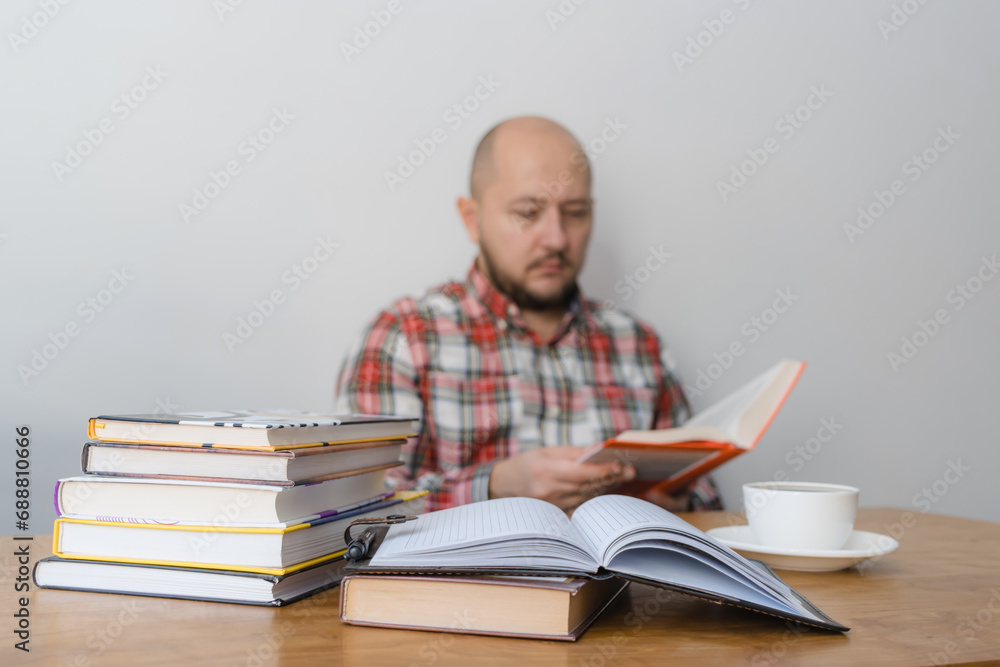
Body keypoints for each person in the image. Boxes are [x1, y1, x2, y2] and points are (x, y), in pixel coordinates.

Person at [335, 116, 720, 513]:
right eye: (528, 212)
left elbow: (707, 499)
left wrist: (661, 504)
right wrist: (495, 486)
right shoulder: (401, 339)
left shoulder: (638, 344)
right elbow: (356, 512)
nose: (556, 238)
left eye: (575, 212)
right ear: (472, 219)